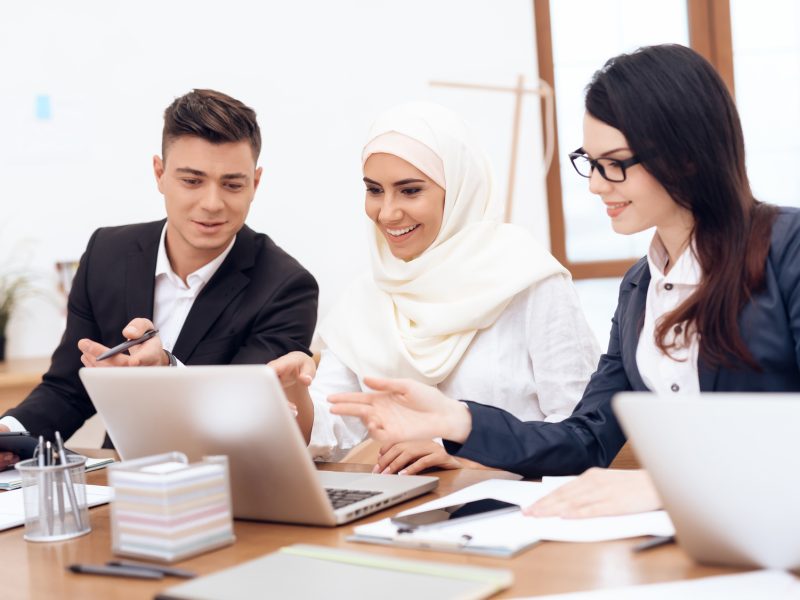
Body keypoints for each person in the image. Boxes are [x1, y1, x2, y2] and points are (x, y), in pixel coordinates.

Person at [327, 44, 800, 516]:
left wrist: (669, 489)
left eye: (614, 163)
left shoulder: (787, 249)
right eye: (589, 162)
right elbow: (585, 439)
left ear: (687, 157)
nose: (595, 184)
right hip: (695, 543)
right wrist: (461, 420)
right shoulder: (640, 287)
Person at [269, 102, 600, 475]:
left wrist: (464, 452)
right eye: (375, 190)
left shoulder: (529, 280)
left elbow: (577, 432)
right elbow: (329, 431)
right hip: (402, 514)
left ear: (458, 189)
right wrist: (295, 390)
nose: (387, 212)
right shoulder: (369, 297)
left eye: (410, 191)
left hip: (515, 511)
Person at [0, 89, 318, 461]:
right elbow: (69, 389)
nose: (212, 203)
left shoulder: (286, 287)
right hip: (117, 481)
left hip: (224, 487)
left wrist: (166, 370)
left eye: (232, 184)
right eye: (192, 181)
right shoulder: (107, 252)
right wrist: (9, 434)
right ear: (160, 173)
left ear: (255, 183)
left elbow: (240, 418)